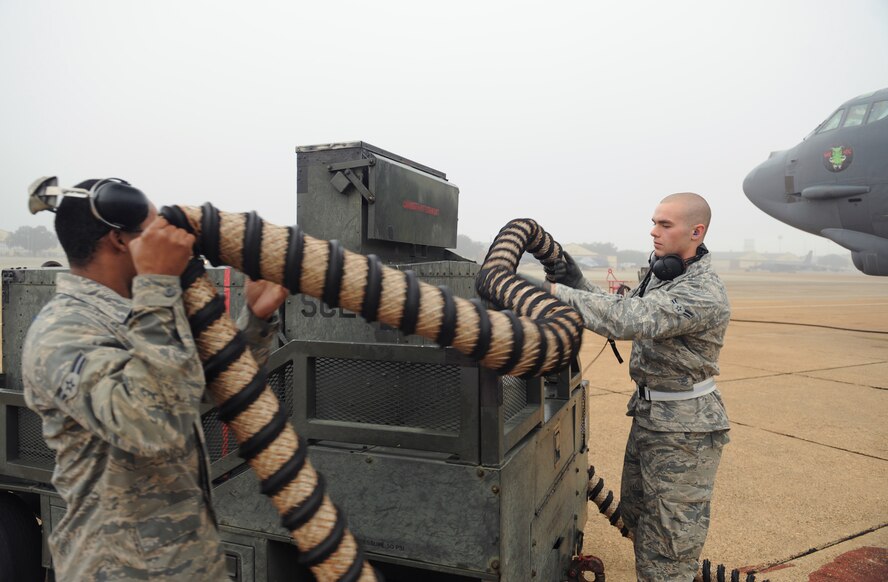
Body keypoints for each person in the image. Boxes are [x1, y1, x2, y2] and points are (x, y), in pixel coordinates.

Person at [22, 179, 288, 580]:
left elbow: (203, 389)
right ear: (120, 240)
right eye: (155, 230)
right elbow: (151, 423)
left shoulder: (146, 312)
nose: (173, 240)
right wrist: (159, 285)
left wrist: (257, 319)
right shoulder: (63, 332)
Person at [545, 192, 731, 581]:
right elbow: (627, 305)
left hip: (684, 430)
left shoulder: (703, 292)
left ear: (696, 232)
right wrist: (574, 281)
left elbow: (628, 319)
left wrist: (550, 294)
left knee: (669, 550)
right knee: (640, 520)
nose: (653, 232)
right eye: (654, 222)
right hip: (652, 417)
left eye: (665, 225)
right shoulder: (668, 274)